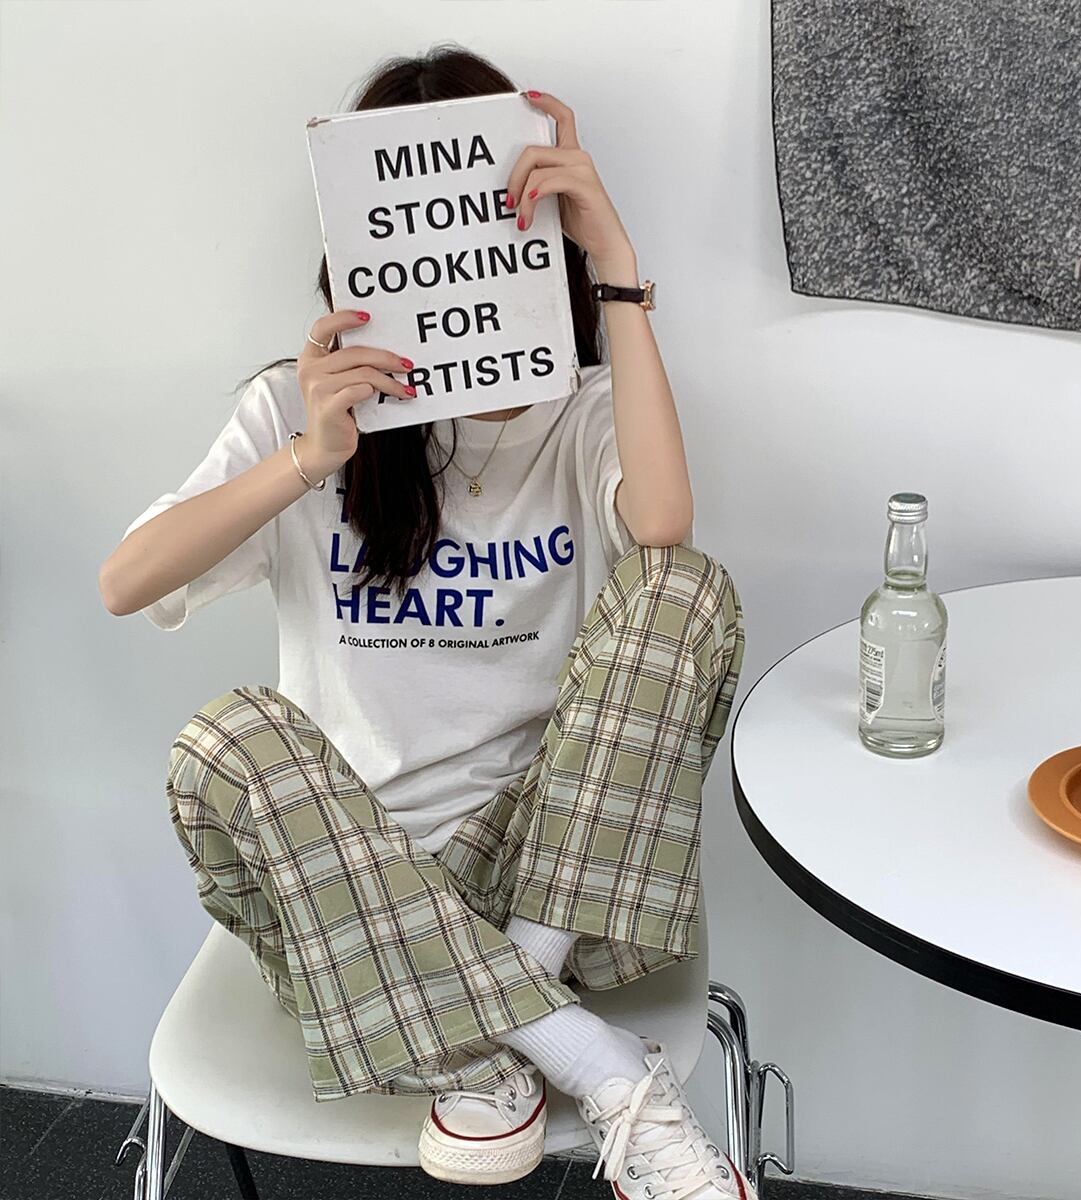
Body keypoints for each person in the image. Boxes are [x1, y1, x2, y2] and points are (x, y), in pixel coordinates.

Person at [99, 45, 749, 1200]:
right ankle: (580, 1056)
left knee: (681, 586)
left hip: (559, 885)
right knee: (224, 739)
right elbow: (127, 581)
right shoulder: (299, 412)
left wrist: (618, 270)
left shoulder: (586, 410)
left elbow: (663, 527)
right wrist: (307, 460)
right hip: (351, 895)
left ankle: (505, 1008)